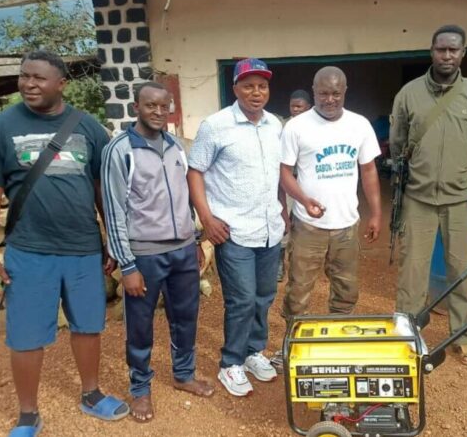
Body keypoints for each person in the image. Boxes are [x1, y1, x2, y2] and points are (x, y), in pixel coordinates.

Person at [0, 50, 128, 436]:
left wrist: (111, 240)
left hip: (83, 249)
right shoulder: (0, 128)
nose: (29, 84)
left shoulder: (88, 127)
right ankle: (28, 413)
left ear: (62, 84)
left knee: (88, 326)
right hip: (29, 251)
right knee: (25, 334)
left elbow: (100, 188)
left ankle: (90, 393)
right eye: (24, 76)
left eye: (39, 78)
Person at [101, 82, 214, 422]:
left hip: (182, 250)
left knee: (186, 317)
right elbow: (114, 210)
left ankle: (183, 374)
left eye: (164, 106)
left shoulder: (175, 146)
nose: (158, 112)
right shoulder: (119, 150)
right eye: (150, 105)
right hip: (144, 255)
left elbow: (184, 199)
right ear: (137, 107)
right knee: (140, 324)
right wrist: (128, 264)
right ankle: (140, 390)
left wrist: (194, 240)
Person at [389, 24, 467, 365]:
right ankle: (408, 335)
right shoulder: (408, 94)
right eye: (440, 49)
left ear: (463, 53)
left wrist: (464, 178)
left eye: (453, 50)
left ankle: (461, 336)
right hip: (417, 199)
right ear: (431, 51)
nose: (446, 55)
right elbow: (398, 143)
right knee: (412, 273)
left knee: (460, 271)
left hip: (460, 201)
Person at [187, 58, 287, 397]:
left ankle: (253, 352)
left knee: (264, 297)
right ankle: (231, 362)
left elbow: (277, 174)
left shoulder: (275, 125)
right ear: (235, 89)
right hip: (233, 230)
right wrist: (207, 218)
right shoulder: (216, 125)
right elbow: (195, 171)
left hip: (270, 228)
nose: (256, 92)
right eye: (248, 85)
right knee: (242, 299)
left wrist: (283, 209)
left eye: (262, 85)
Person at [280, 66, 382, 320]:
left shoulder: (359, 125)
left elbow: (369, 170)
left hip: (346, 226)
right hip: (308, 226)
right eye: (323, 93)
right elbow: (283, 172)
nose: (329, 100)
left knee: (346, 290)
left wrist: (376, 214)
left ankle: (338, 340)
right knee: (298, 290)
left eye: (336, 93)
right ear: (314, 92)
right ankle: (293, 345)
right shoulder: (296, 127)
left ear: (345, 91)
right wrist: (303, 200)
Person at [278, 89, 314, 283]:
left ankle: (302, 261)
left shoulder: (317, 126)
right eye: (293, 106)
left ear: (308, 107)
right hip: (288, 180)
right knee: (284, 219)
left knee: (308, 220)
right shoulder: (284, 126)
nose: (295, 110)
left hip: (308, 181)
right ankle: (280, 262)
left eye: (299, 107)